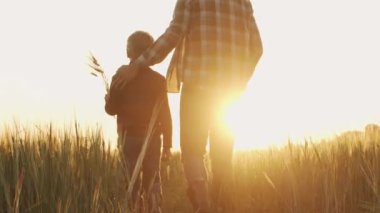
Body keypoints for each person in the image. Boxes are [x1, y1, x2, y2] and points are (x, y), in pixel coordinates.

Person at [113, 0, 263, 212]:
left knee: (192, 151)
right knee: (222, 157)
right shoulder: (242, 2)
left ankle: (202, 203)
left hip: (197, 89)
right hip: (229, 93)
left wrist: (138, 63)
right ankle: (220, 206)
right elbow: (257, 48)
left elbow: (174, 33)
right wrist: (239, 80)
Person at [104, 31, 172, 212]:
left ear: (130, 51)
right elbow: (165, 115)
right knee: (153, 180)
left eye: (128, 45)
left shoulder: (120, 75)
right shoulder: (158, 80)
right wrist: (167, 145)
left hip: (128, 138)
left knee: (130, 182)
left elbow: (111, 110)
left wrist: (108, 100)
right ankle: (154, 209)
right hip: (152, 138)